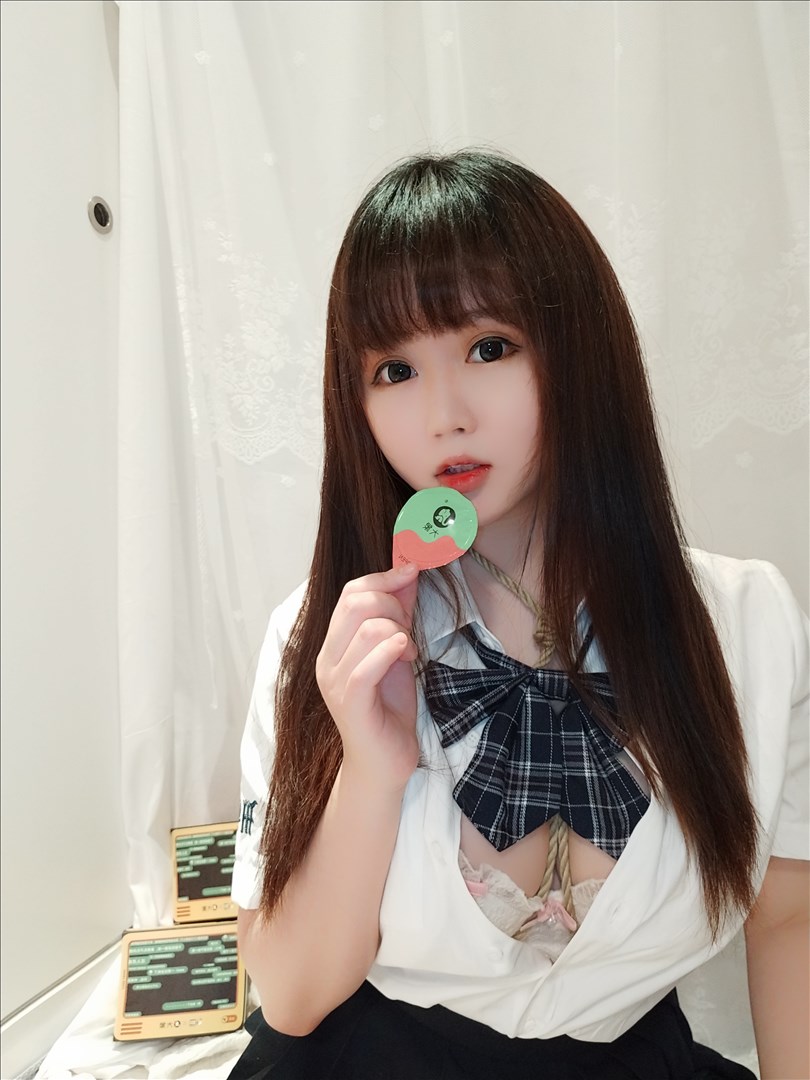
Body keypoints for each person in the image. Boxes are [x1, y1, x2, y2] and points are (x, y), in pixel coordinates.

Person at [228, 150, 809, 1079]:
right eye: (394, 369)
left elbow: (789, 919)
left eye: (489, 347)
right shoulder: (326, 637)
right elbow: (292, 996)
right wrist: (370, 772)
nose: (444, 415)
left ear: (580, 350)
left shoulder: (749, 625)